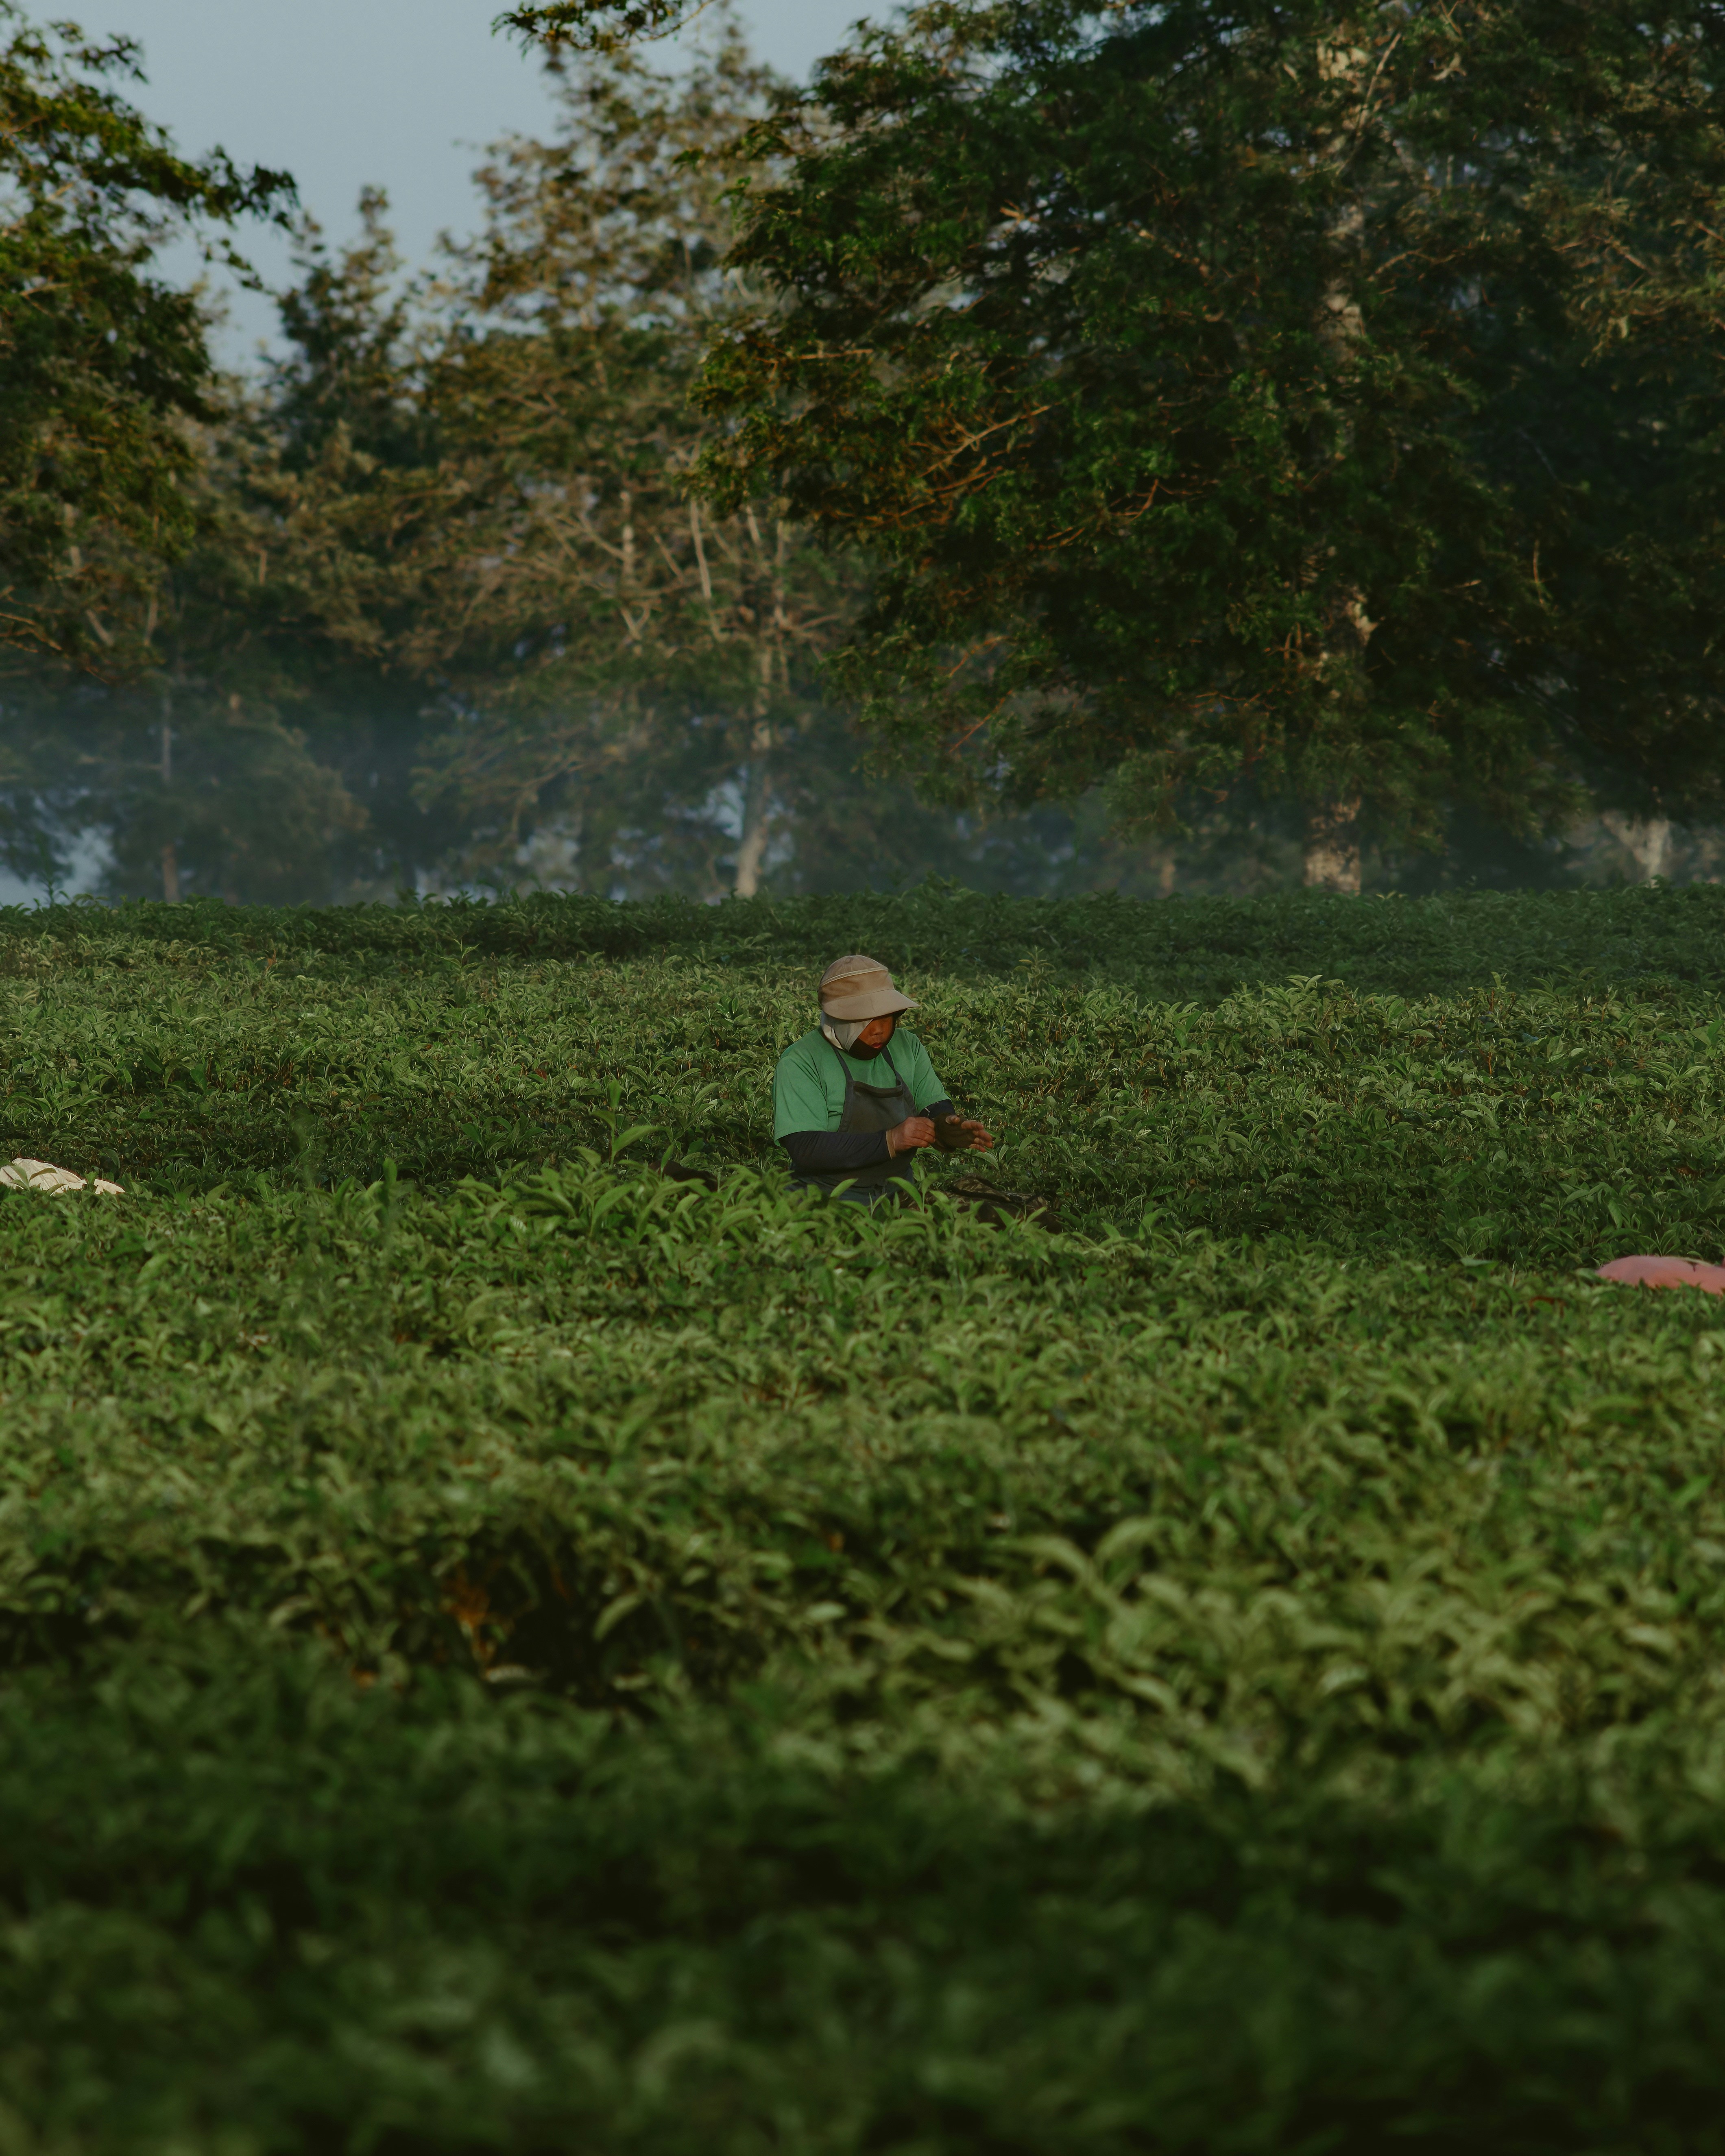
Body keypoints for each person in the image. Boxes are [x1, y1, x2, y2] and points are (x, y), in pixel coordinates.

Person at [773, 953, 994, 1202]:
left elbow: (931, 1105)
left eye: (887, 1017)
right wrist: (891, 1140)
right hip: (824, 1197)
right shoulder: (802, 1061)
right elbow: (806, 1148)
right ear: (836, 1018)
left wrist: (945, 1126)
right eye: (866, 1019)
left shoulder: (907, 1046)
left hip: (898, 1192)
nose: (879, 1030)